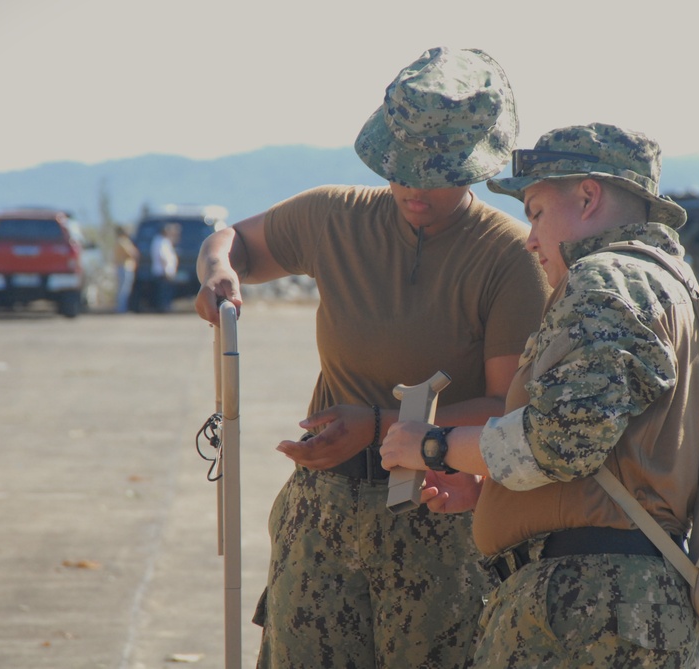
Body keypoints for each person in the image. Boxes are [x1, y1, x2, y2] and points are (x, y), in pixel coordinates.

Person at [194, 47, 549, 669]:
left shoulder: (510, 257)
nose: (415, 189)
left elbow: (503, 409)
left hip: (436, 523)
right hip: (321, 516)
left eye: (437, 174)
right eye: (402, 169)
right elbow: (231, 243)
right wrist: (220, 272)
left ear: (474, 166)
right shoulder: (334, 215)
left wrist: (381, 429)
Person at [381, 123, 699, 668]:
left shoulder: (605, 279)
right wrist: (495, 493)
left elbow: (562, 442)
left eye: (535, 211)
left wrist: (435, 446)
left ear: (587, 197)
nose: (529, 237)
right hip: (627, 604)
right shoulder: (676, 288)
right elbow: (622, 453)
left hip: (586, 607)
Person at [150, 223, 179, 312]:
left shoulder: (164, 240)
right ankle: (163, 308)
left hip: (165, 271)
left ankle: (165, 306)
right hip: (163, 271)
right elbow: (162, 257)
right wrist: (166, 270)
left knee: (165, 291)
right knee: (163, 291)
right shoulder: (160, 241)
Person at [113, 225, 139, 313]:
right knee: (123, 289)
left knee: (126, 289)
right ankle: (121, 309)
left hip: (127, 268)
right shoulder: (122, 241)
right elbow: (132, 253)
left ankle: (123, 308)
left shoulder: (126, 241)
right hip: (124, 268)